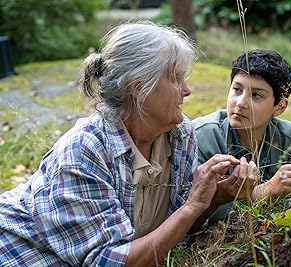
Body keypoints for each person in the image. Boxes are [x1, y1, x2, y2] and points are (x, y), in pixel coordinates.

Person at [0, 22, 259, 267]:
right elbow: (109, 262)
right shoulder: (85, 150)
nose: (187, 90)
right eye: (177, 78)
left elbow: (174, 230)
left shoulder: (180, 134)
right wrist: (192, 207)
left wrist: (212, 199)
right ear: (139, 87)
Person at [192, 49, 291, 223]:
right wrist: (266, 191)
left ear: (280, 106)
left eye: (256, 95)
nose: (240, 103)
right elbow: (195, 216)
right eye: (237, 89)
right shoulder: (201, 135)